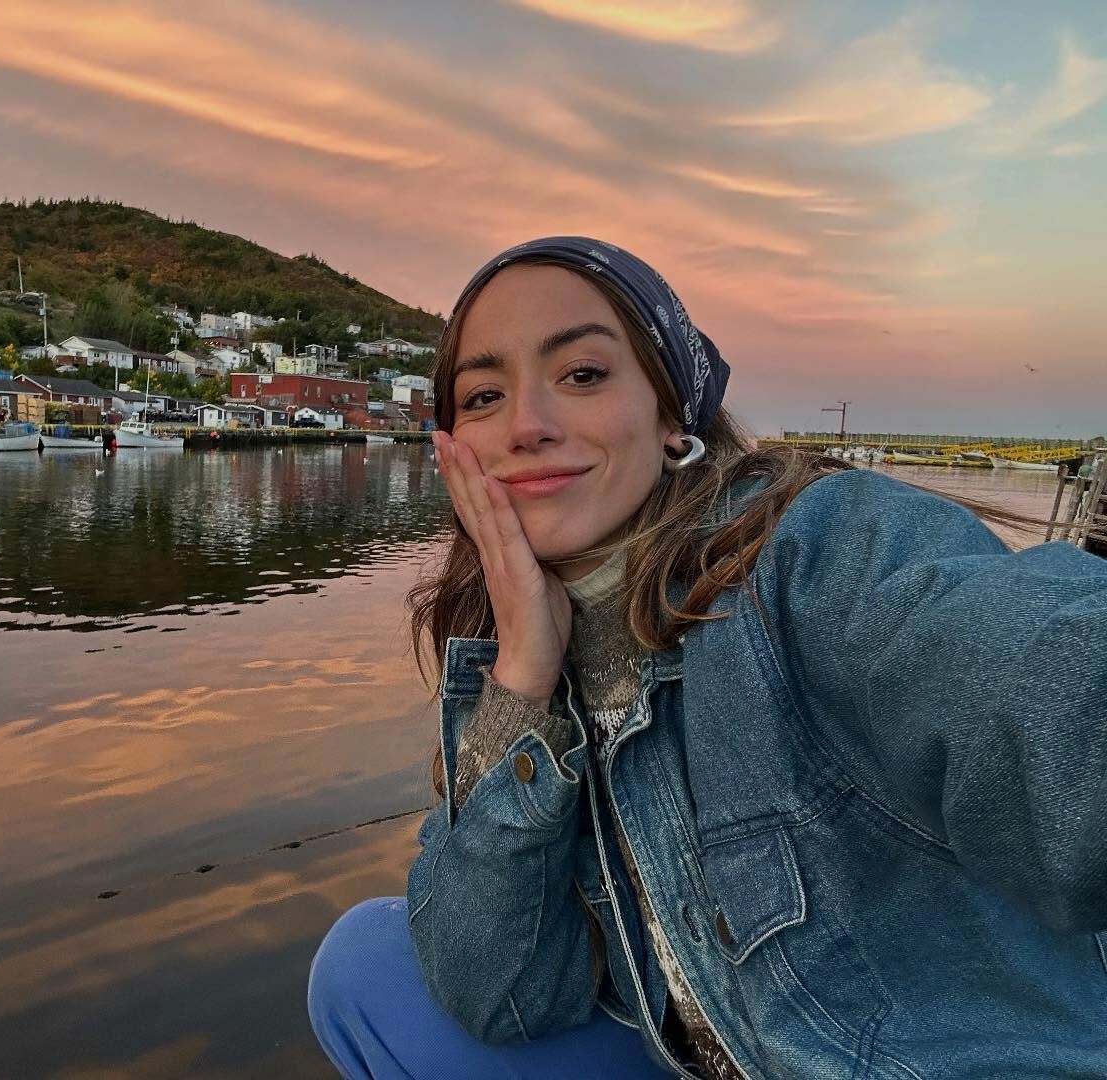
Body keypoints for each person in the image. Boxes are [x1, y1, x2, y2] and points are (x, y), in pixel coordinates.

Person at [307, 237, 1107, 1078]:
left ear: (671, 415)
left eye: (582, 374)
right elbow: (500, 995)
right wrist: (522, 681)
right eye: (483, 396)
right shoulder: (528, 644)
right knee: (367, 967)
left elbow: (1040, 679)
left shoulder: (815, 553)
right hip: (706, 1053)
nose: (527, 425)